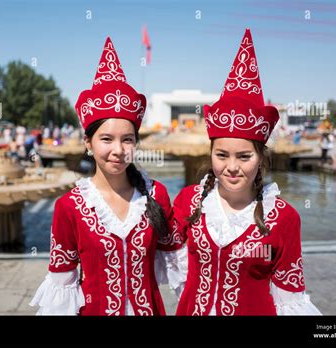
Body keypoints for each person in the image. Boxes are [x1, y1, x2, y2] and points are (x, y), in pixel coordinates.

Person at [169, 29, 321, 316]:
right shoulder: (188, 201)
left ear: (261, 158)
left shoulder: (284, 218)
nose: (232, 167)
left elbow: (289, 298)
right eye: (222, 155)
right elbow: (166, 257)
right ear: (211, 153)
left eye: (244, 156)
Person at [29, 37, 183, 315]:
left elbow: (180, 270)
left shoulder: (156, 194)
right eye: (107, 139)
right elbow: (63, 285)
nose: (118, 150)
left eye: (127, 139)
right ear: (88, 143)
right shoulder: (69, 206)